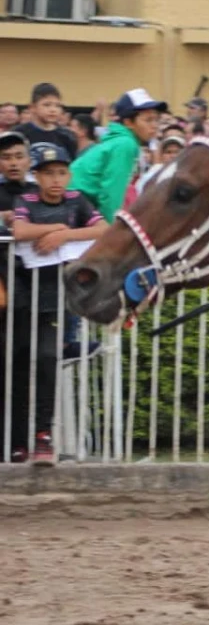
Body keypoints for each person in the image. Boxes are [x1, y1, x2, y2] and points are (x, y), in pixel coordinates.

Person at [9, 143, 107, 465]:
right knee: (21, 365)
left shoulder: (77, 200)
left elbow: (104, 228)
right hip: (24, 300)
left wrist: (66, 237)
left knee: (48, 358)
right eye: (48, 173)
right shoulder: (26, 200)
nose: (56, 180)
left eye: (62, 173)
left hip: (57, 302)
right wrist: (54, 228)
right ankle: (17, 441)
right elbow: (20, 230)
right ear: (36, 176)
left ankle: (43, 436)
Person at [69, 88, 168, 222]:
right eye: (148, 120)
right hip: (73, 206)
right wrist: (111, 232)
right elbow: (111, 196)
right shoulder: (125, 144)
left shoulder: (120, 141)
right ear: (128, 123)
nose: (155, 125)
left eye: (156, 119)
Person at [16, 83, 78, 162]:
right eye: (47, 105)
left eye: (57, 106)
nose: (53, 110)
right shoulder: (19, 134)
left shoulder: (67, 136)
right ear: (32, 107)